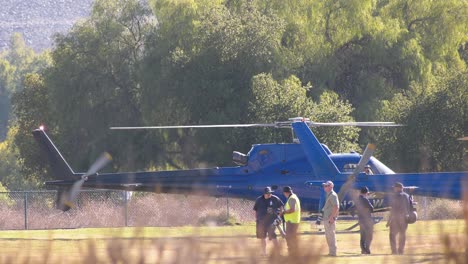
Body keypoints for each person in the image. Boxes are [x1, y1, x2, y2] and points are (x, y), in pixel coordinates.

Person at [253, 186, 284, 255]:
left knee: (273, 236)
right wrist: (257, 219)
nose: (269, 194)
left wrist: (279, 217)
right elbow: (255, 210)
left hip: (271, 222)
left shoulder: (275, 198)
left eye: (270, 193)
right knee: (262, 237)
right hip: (261, 222)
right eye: (267, 193)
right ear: (264, 193)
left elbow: (282, 207)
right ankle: (264, 252)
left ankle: (278, 252)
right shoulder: (259, 200)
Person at [386, 182, 411, 255]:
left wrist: (389, 220)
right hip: (405, 218)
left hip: (396, 218)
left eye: (395, 187)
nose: (394, 189)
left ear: (398, 188)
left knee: (392, 235)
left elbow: (393, 208)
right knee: (402, 234)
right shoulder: (407, 196)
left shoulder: (396, 196)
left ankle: (394, 251)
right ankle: (401, 250)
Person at [282, 186, 301, 255]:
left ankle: (292, 252)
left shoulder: (291, 198)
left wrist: (284, 212)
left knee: (290, 237)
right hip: (293, 220)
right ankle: (294, 252)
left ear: (285, 193)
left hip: (292, 221)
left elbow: (293, 209)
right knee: (292, 237)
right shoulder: (294, 196)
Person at [322, 180, 339, 256]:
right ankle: (331, 252)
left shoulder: (333, 195)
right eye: (324, 186)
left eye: (326, 186)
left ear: (331, 186)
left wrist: (332, 217)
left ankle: (333, 253)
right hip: (327, 218)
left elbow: (336, 206)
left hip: (330, 219)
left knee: (331, 235)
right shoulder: (328, 195)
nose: (324, 187)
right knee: (328, 236)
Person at [356, 186, 374, 254]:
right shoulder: (365, 199)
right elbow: (371, 208)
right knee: (369, 235)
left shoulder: (357, 199)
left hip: (360, 219)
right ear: (366, 193)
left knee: (363, 236)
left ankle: (363, 249)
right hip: (367, 219)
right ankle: (367, 249)